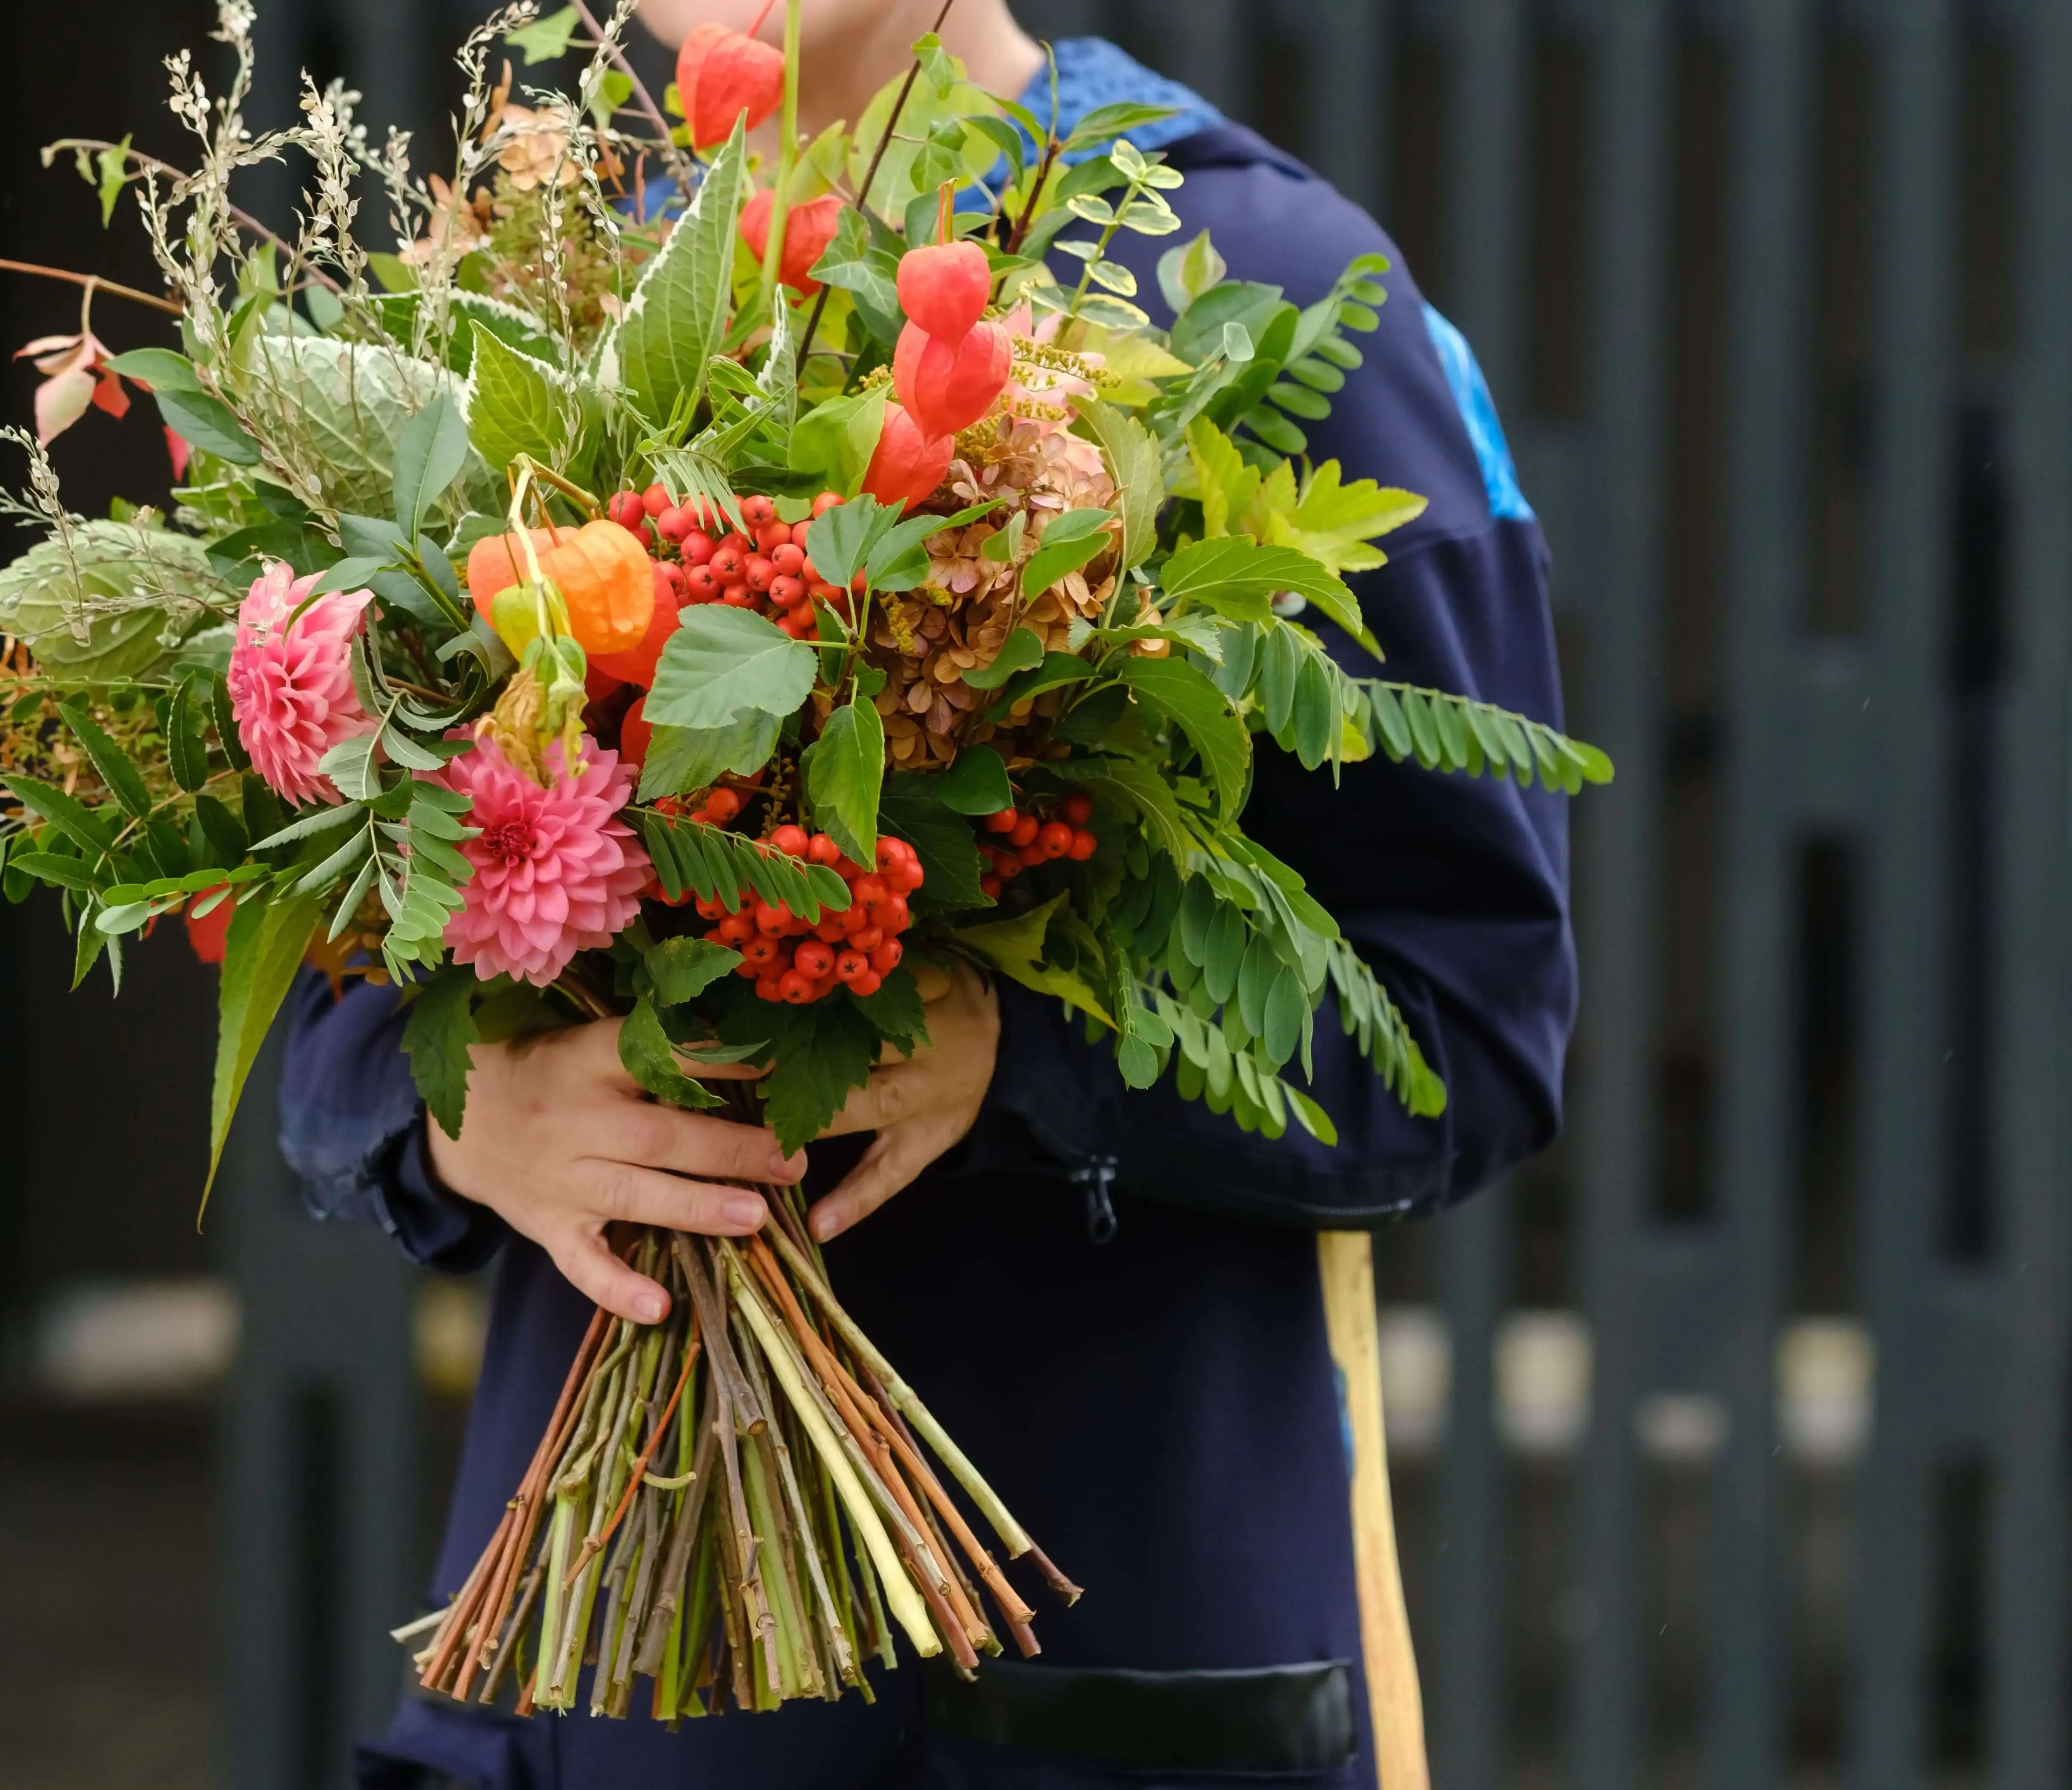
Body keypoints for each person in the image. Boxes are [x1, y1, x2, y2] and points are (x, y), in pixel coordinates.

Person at [280, 3, 1573, 1784]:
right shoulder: (522, 308)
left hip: (1097, 1662)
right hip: (594, 1698)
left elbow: (1473, 1025)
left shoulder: (1260, 279)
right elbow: (328, 966)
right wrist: (455, 1110)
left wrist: (1023, 1057)